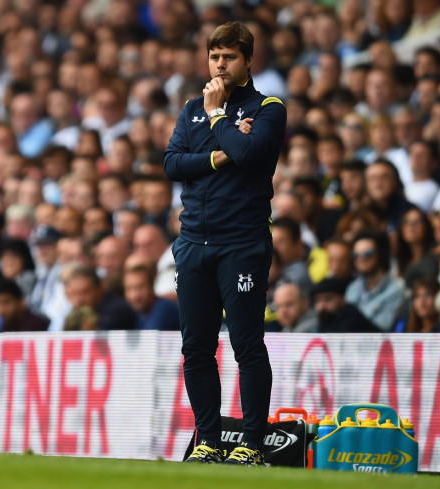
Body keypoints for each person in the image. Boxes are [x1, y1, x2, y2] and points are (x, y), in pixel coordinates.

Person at [163, 21, 286, 465]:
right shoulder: (191, 107)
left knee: (246, 344)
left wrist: (218, 117)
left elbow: (252, 155)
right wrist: (220, 153)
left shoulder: (269, 107)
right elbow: (173, 164)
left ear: (248, 60)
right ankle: (208, 442)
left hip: (242, 242)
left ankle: (253, 443)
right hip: (193, 241)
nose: (220, 63)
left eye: (229, 56)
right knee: (196, 347)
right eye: (215, 56)